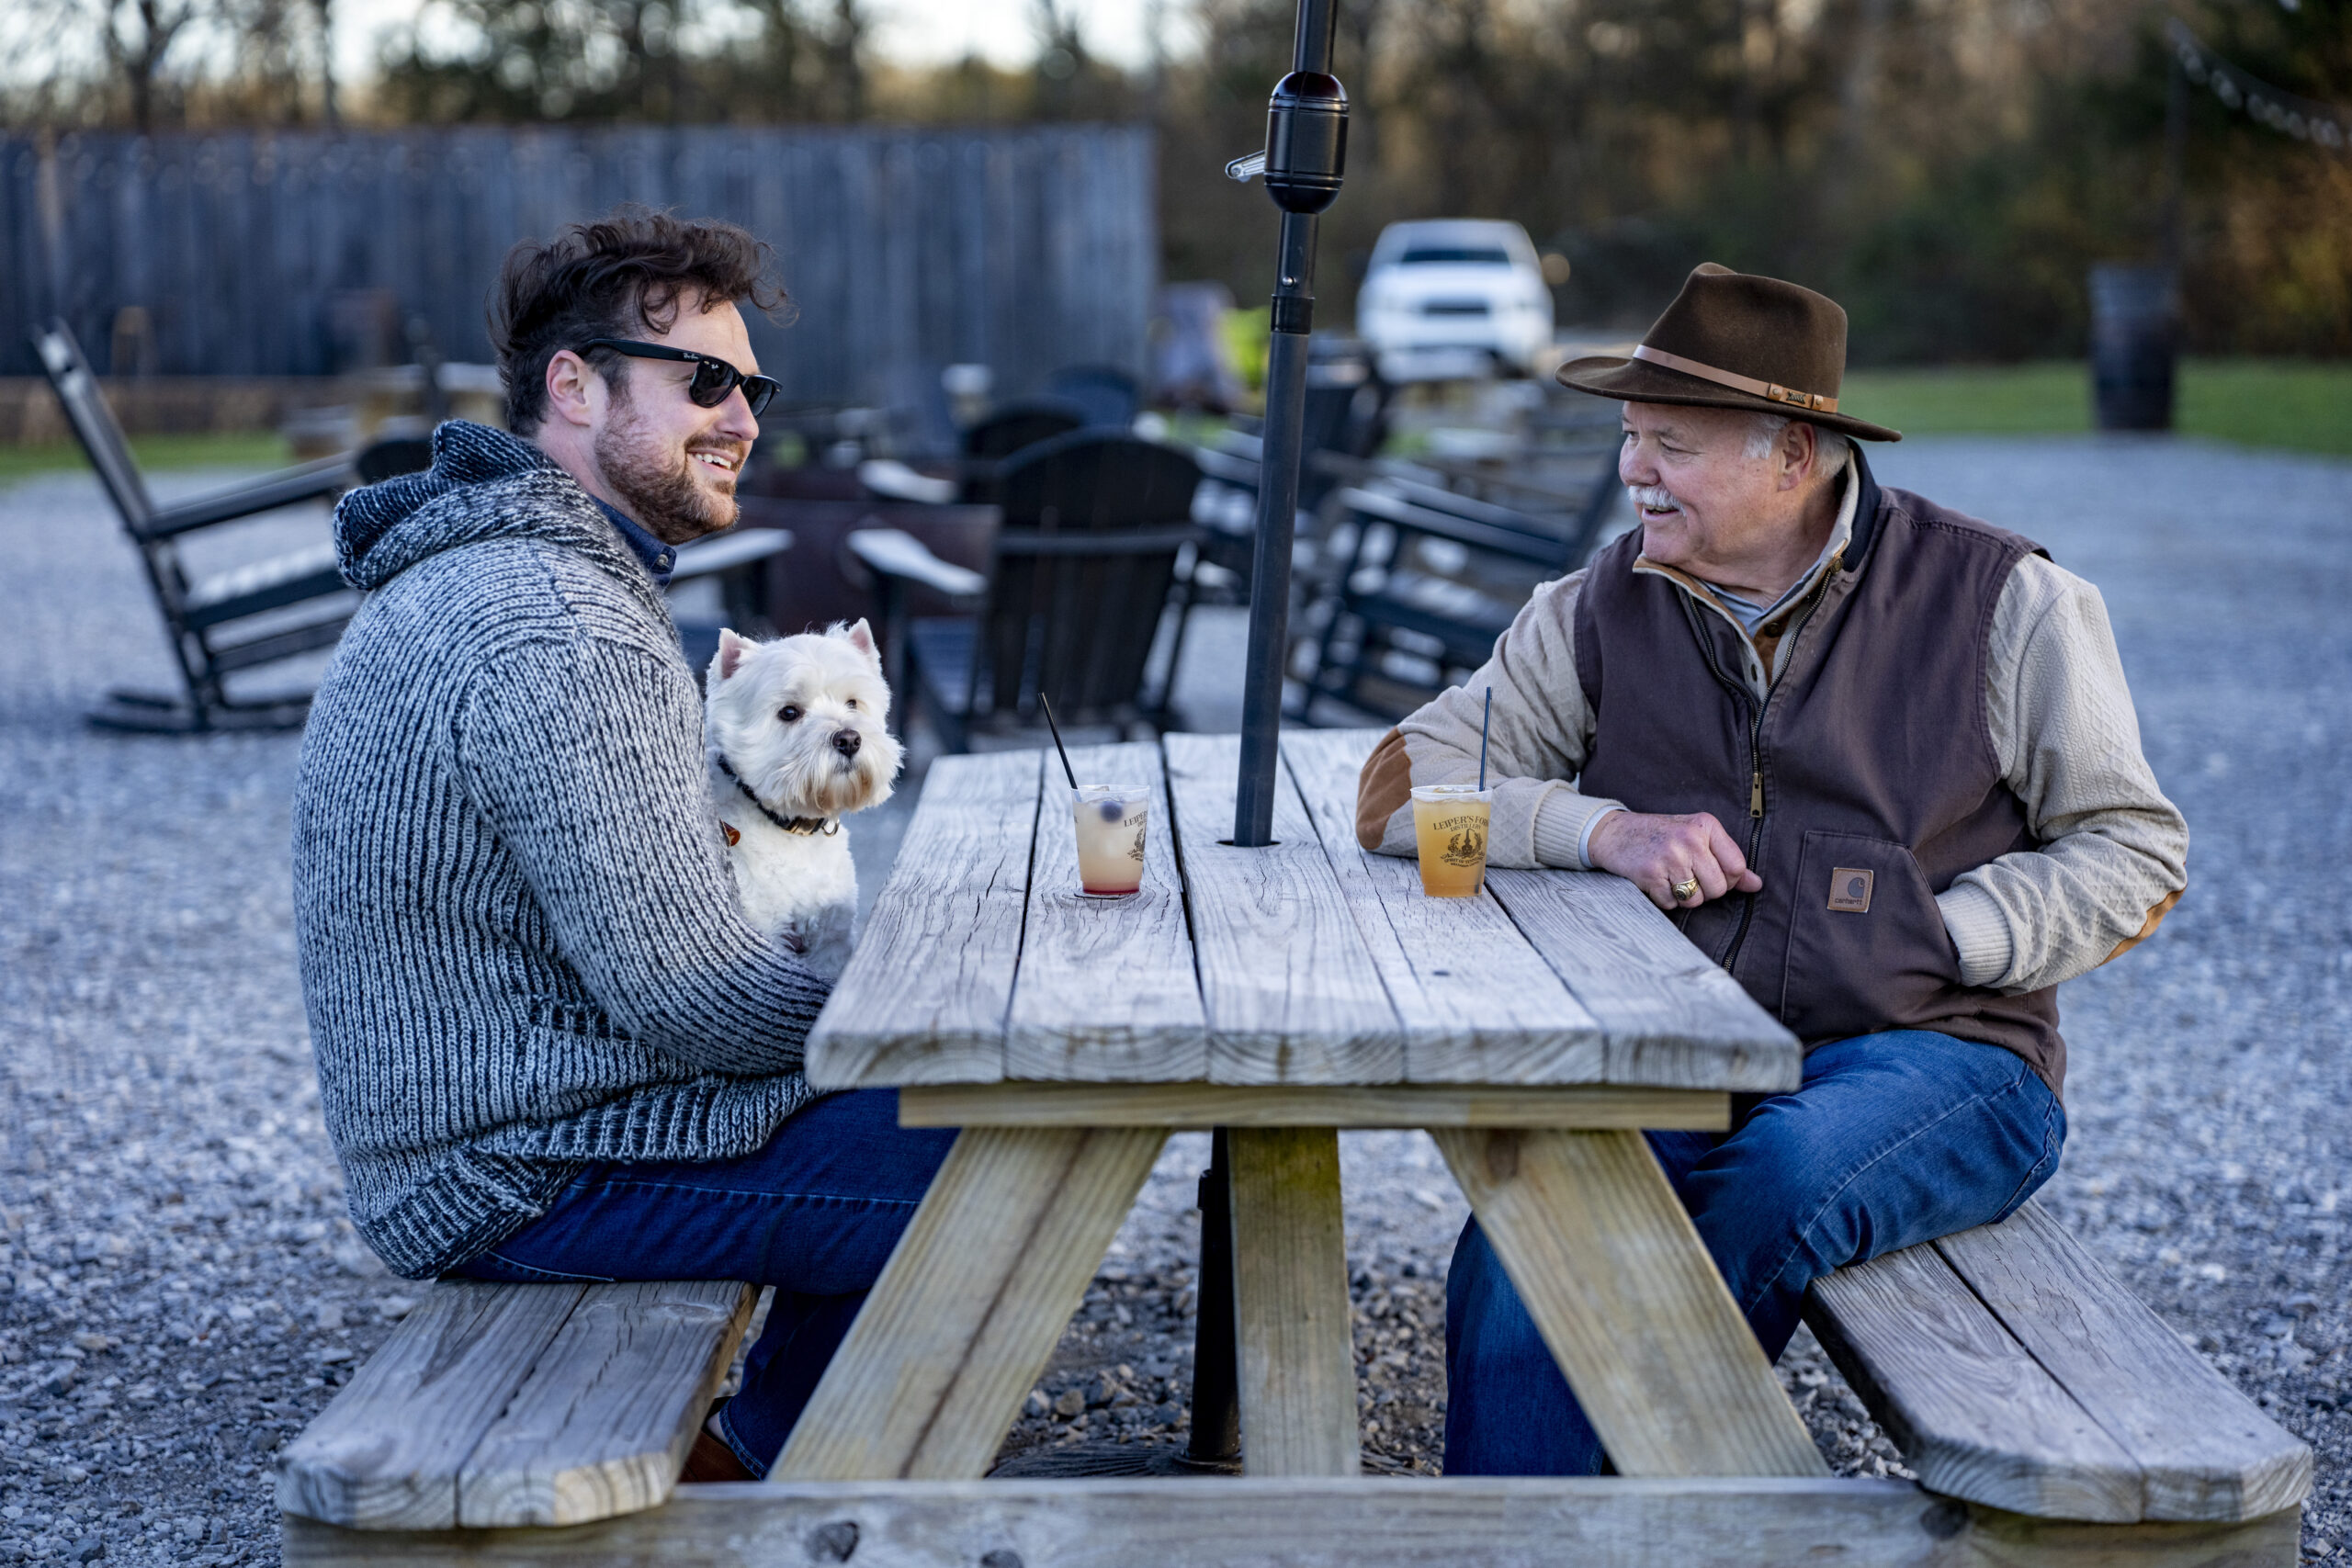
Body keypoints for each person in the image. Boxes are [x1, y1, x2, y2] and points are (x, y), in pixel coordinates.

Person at [1353, 264, 2188, 1475]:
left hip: (1947, 1056)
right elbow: (1395, 793)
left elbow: (2137, 850)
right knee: (1527, 1224)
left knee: (1784, 1173)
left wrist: (1953, 935)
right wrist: (1599, 830)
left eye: (1673, 446)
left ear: (1793, 456)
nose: (1633, 471)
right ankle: (1519, 1548)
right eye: (1632, 437)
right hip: (1687, 1054)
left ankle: (1631, 1508)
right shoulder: (1600, 606)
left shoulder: (2007, 600)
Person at [291, 208, 954, 1482]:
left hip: (511, 1121)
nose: (745, 418)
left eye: (751, 384)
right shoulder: (559, 625)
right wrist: (932, 1004)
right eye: (704, 380)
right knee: (973, 1155)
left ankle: (780, 1448)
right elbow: (698, 999)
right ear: (576, 386)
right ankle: (752, 1483)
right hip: (517, 1167)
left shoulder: (519, 576)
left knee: (942, 1110)